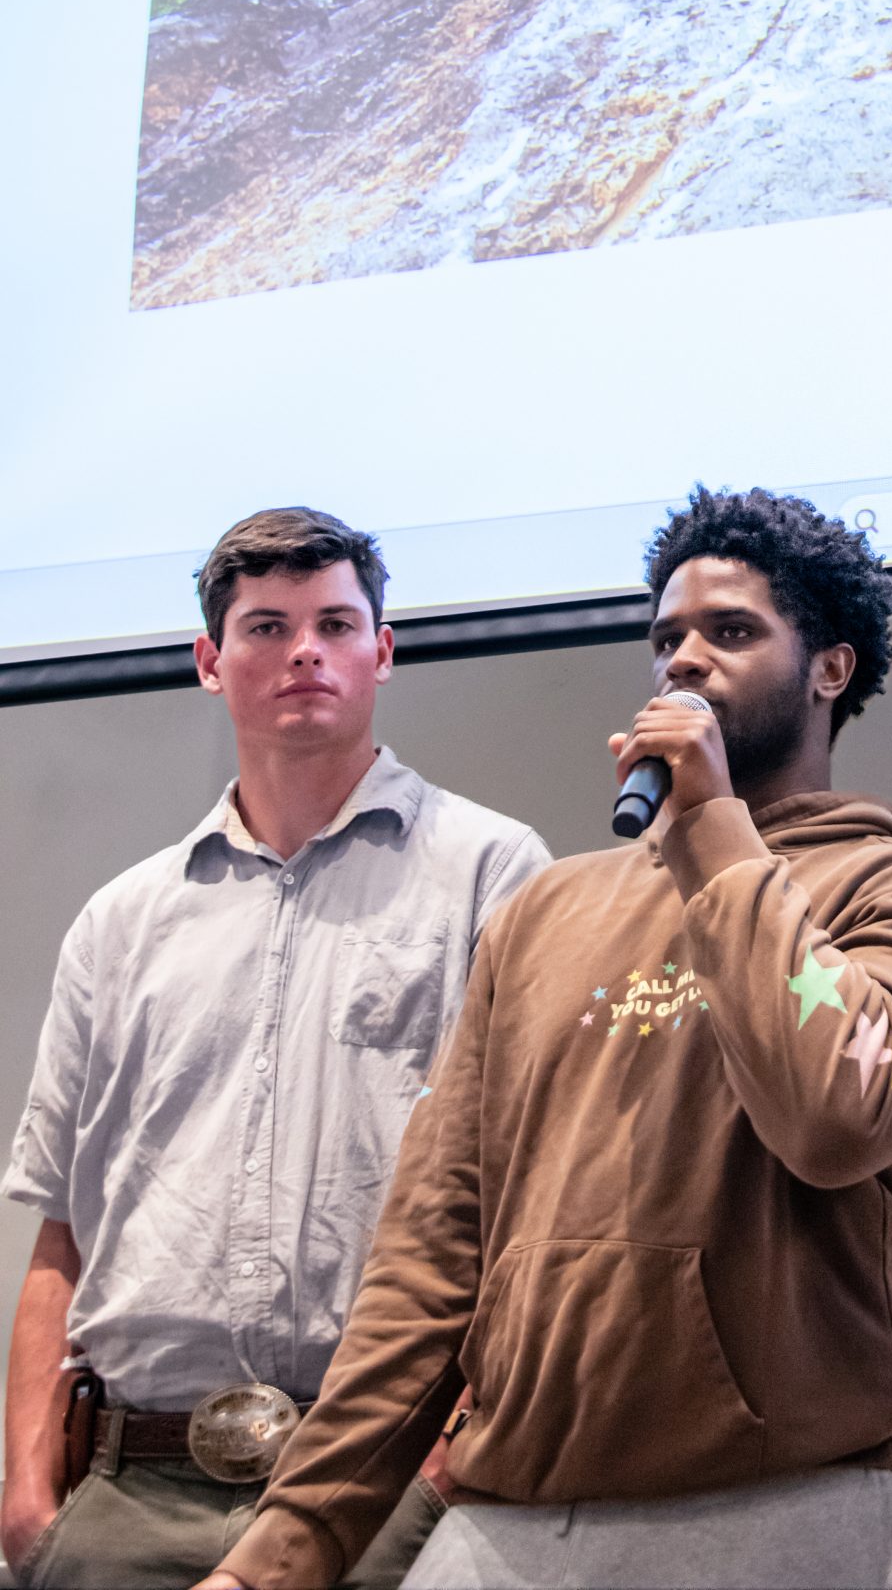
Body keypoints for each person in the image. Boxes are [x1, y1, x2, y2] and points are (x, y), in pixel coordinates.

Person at [197, 487, 892, 1590]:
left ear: (830, 668)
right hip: (510, 1512)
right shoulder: (544, 913)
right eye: (667, 636)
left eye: (730, 632)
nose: (684, 662)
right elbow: (432, 1252)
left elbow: (834, 1112)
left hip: (792, 1501)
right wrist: (283, 1553)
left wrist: (714, 829)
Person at [1, 507, 551, 1590]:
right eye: (265, 626)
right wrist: (26, 1494)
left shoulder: (495, 873)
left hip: (387, 1489)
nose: (304, 649)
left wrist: (451, 1461)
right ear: (211, 661)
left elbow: (543, 1200)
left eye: (336, 621)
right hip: (126, 1493)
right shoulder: (122, 921)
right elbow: (64, 1228)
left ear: (382, 651)